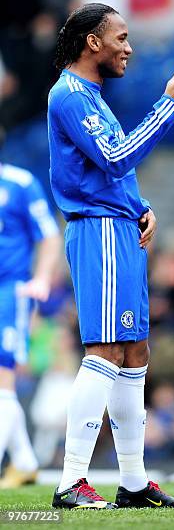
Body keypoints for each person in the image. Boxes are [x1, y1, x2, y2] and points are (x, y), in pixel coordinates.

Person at [47, 3, 174, 509]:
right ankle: (71, 480)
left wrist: (141, 205)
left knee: (134, 353)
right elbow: (116, 156)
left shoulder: (91, 96)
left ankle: (133, 482)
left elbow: (110, 168)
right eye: (121, 37)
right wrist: (168, 104)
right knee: (106, 350)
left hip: (120, 229)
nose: (129, 48)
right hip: (99, 235)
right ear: (94, 42)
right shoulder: (70, 95)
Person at [0, 138, 61, 488]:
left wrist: (40, 278)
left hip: (10, 291)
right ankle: (24, 462)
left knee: (4, 376)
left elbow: (50, 235)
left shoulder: (20, 184)